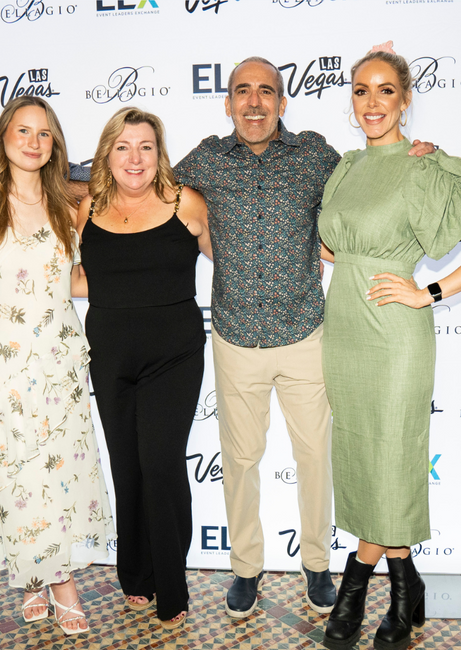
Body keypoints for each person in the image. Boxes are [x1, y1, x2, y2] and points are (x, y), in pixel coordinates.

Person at [173, 56, 435, 620]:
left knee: (316, 456)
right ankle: (246, 568)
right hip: (235, 336)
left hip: (305, 335)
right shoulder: (206, 159)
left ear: (282, 102)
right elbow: (141, 180)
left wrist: (420, 156)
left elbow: (371, 181)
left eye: (266, 91)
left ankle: (317, 565)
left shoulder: (316, 155)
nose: (254, 103)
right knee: (240, 461)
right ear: (227, 102)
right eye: (243, 92)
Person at [319, 42, 461, 650]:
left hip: (395, 333)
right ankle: (407, 583)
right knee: (359, 453)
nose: (372, 102)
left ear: (405, 100)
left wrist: (429, 291)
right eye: (361, 91)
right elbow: (334, 244)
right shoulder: (347, 165)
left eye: (385, 90)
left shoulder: (425, 166)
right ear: (351, 102)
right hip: (344, 328)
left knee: (393, 456)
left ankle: (358, 586)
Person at [0, 96, 115, 636]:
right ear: (3, 136)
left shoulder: (68, 204)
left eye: (44, 133)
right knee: (19, 469)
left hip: (60, 357)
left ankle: (50, 576)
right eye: (23, 130)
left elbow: (73, 282)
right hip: (5, 361)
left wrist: (137, 282)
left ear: (55, 145)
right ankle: (43, 577)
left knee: (57, 471)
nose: (33, 141)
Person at [76, 107, 211, 630]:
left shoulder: (185, 203)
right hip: (109, 353)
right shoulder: (88, 207)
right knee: (126, 463)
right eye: (124, 147)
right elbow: (79, 276)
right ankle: (135, 572)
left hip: (173, 354)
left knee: (160, 462)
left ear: (160, 154)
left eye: (146, 147)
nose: (135, 158)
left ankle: (171, 582)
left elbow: (232, 259)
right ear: (107, 154)